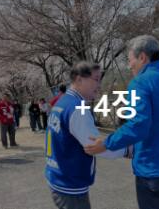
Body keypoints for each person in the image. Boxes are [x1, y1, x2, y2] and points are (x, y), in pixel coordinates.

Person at [85, 35, 159, 209]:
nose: (129, 65)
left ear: (142, 57)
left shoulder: (140, 83)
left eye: (130, 60)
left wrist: (107, 143)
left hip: (153, 167)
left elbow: (139, 125)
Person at [46, 62, 127, 209]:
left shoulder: (62, 102)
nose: (99, 84)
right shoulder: (78, 108)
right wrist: (129, 150)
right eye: (96, 79)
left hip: (58, 176)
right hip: (70, 184)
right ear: (79, 80)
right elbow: (96, 146)